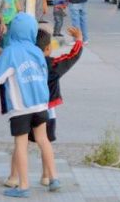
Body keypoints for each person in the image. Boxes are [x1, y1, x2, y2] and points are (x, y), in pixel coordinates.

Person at [5, 27, 84, 190]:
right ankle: (47, 176)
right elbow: (72, 57)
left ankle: (13, 177)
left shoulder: (22, 62)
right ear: (48, 48)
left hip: (25, 107)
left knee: (21, 144)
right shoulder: (52, 64)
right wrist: (79, 40)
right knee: (45, 142)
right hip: (46, 110)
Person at [0, 13, 55, 198]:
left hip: (21, 107)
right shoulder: (36, 51)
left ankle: (23, 186)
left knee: (21, 144)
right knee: (43, 140)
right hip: (41, 105)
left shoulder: (11, 51)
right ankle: (54, 178)